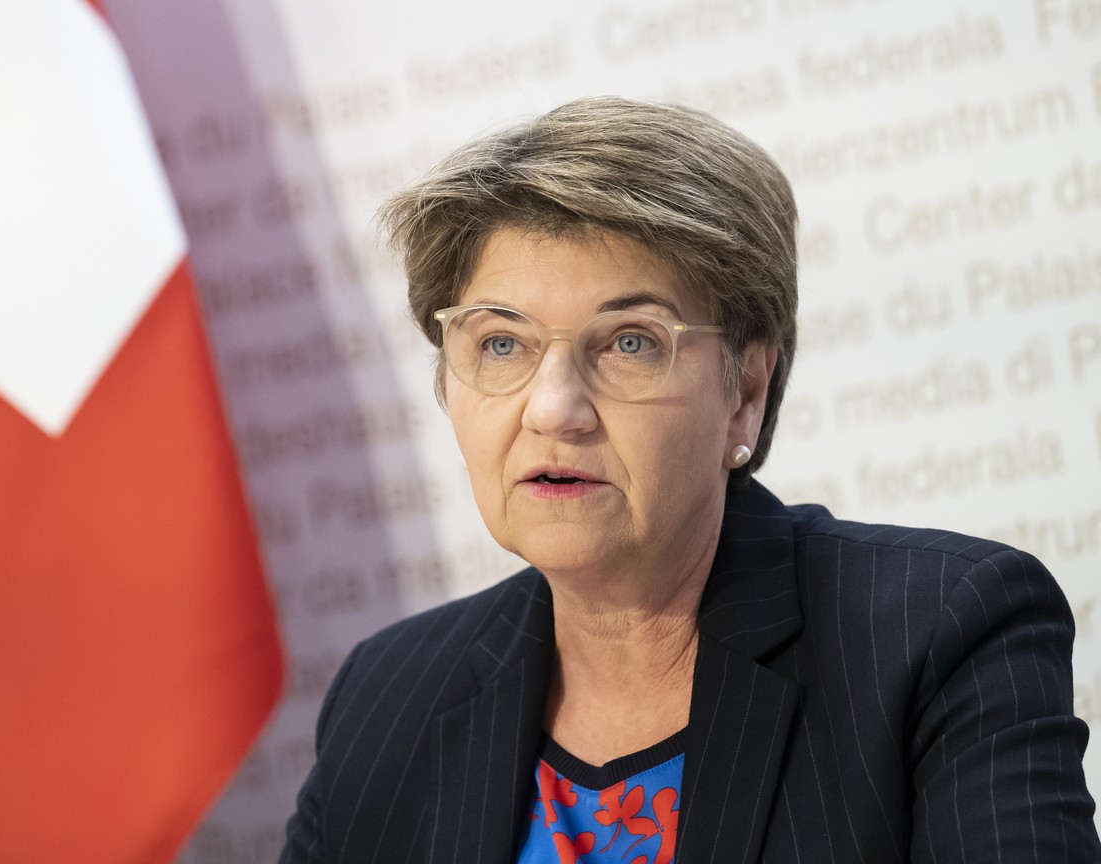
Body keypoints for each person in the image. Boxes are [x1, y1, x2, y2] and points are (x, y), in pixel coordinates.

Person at [278, 96, 1099, 863]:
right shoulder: (388, 696)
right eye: (500, 344)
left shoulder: (939, 635)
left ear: (745, 394)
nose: (555, 409)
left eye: (630, 342)